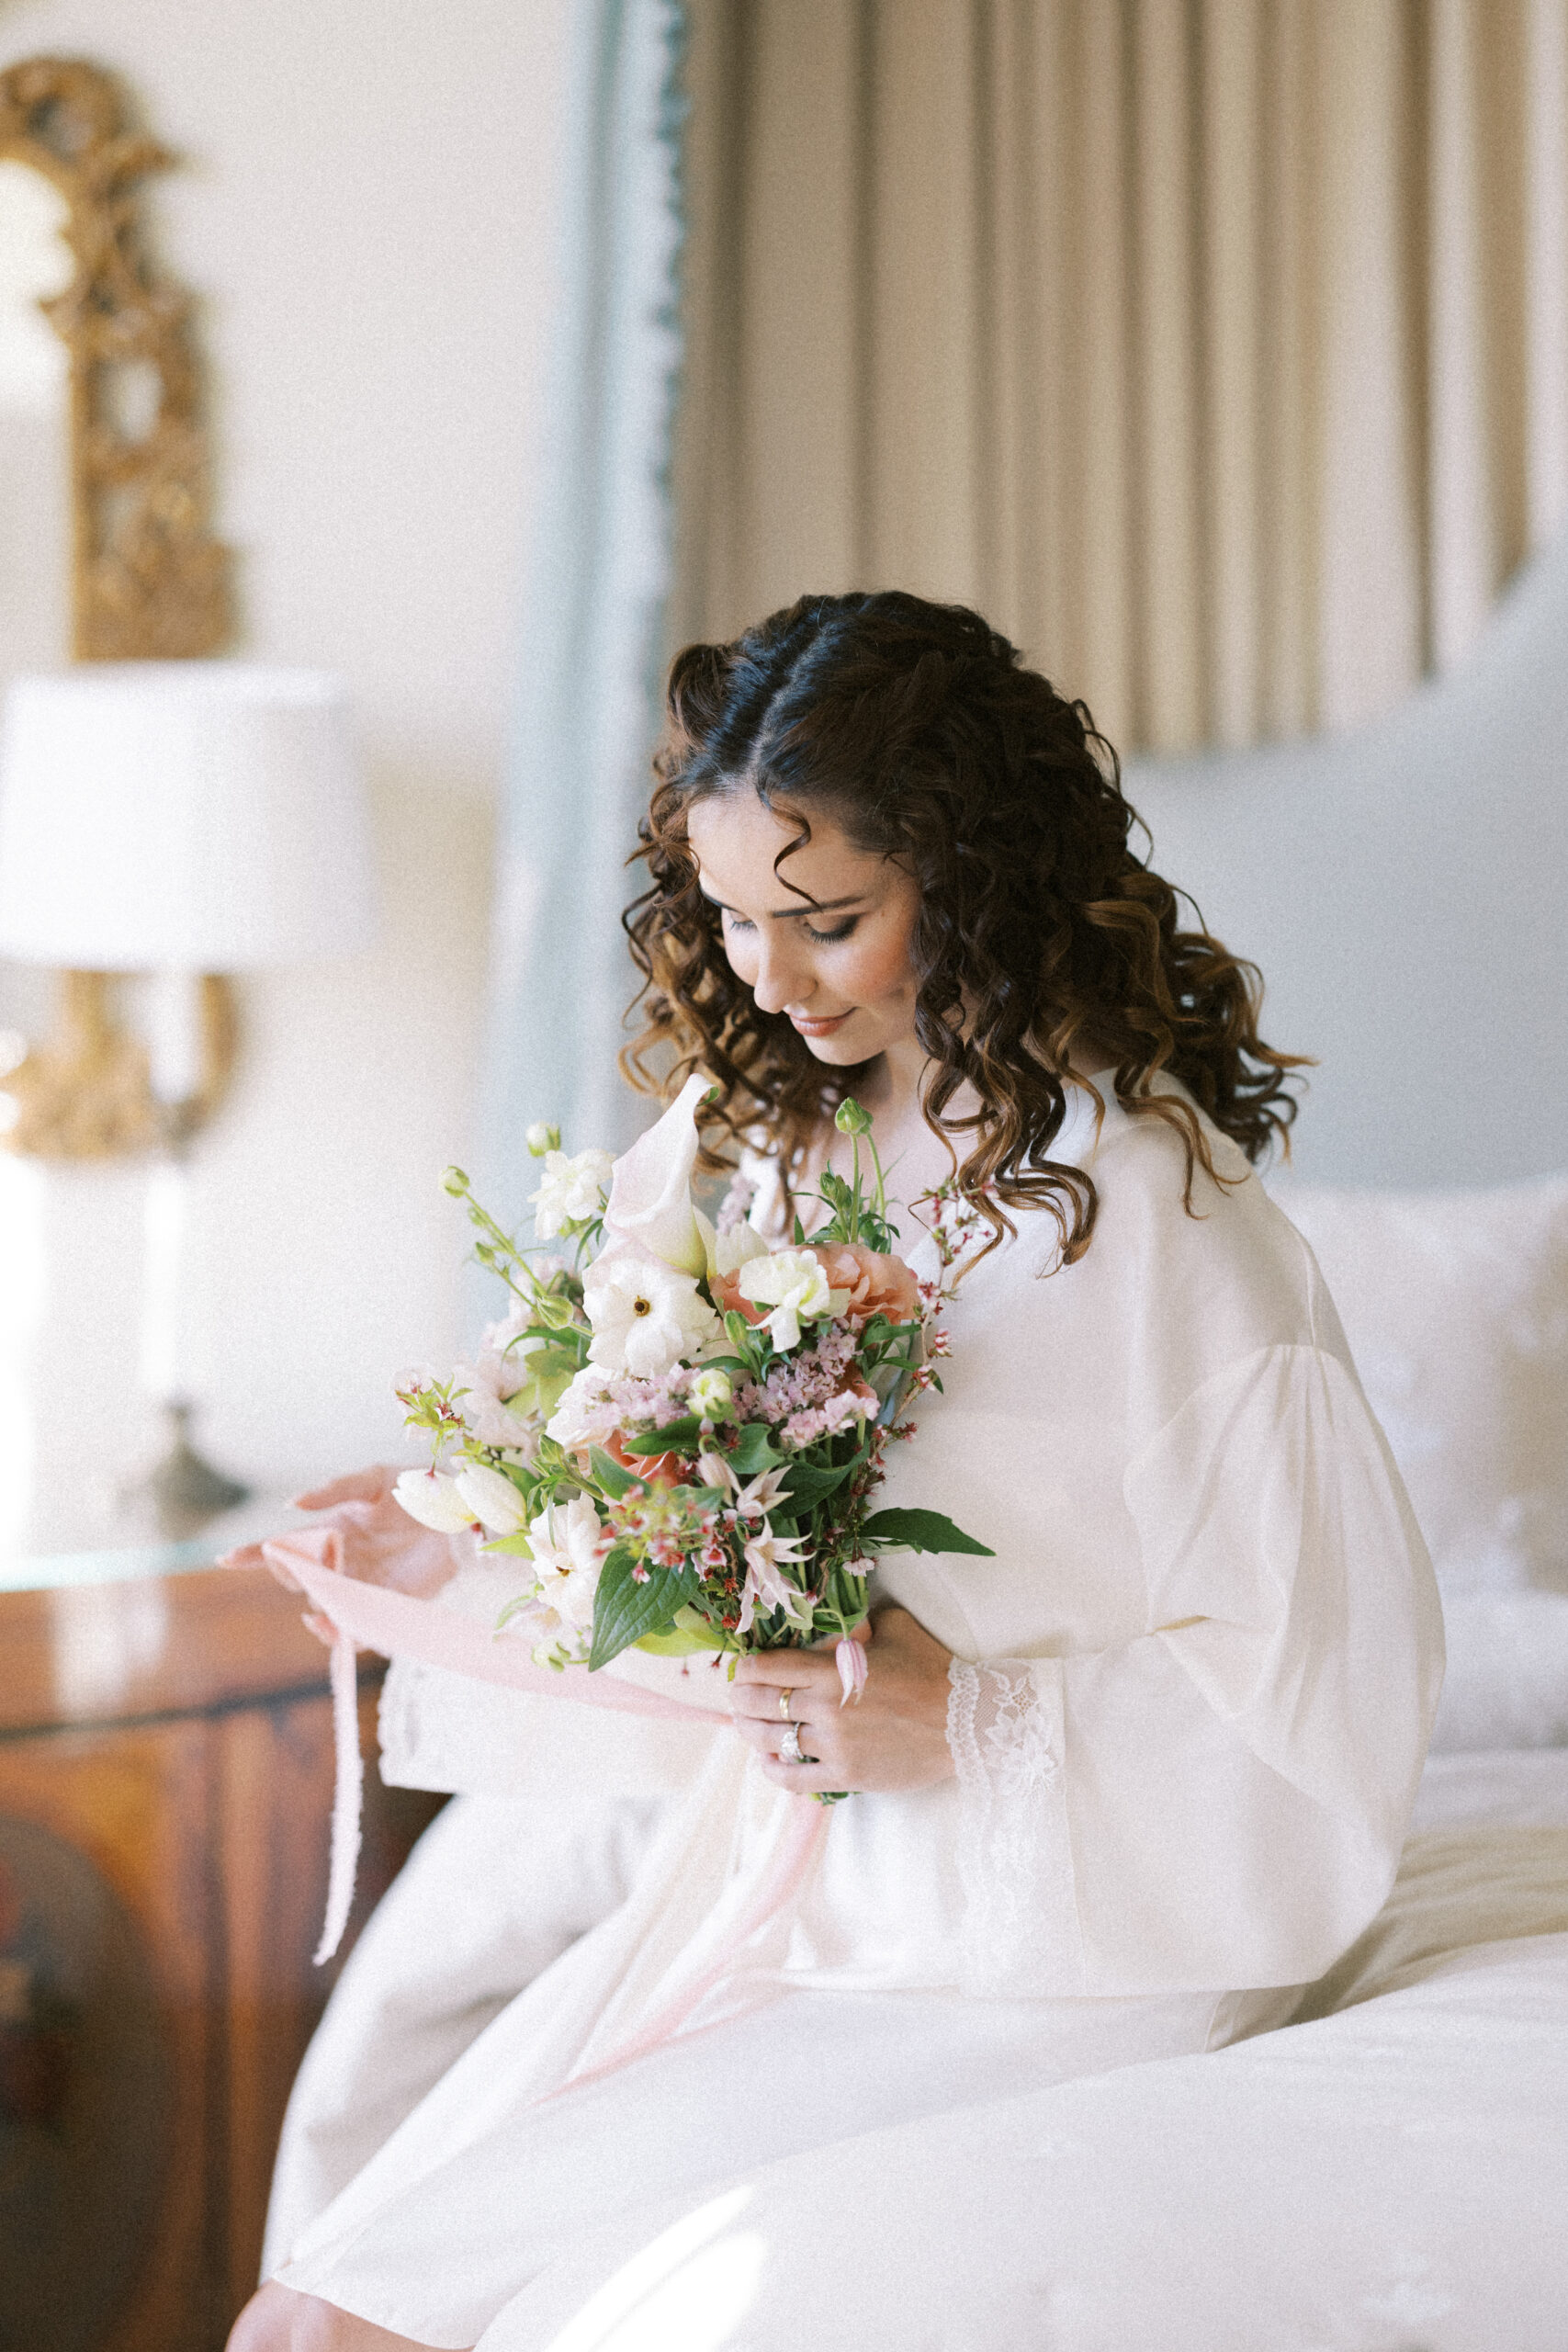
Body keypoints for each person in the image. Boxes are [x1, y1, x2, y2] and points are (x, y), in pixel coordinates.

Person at [231, 591, 1443, 2351]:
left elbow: (1335, 1712)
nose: (767, 978)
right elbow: (725, 1557)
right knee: (304, 2314)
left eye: (827, 921)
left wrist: (972, 1727)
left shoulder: (1168, 1225)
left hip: (1061, 1956)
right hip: (806, 1900)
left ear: (972, 880)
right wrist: (460, 1534)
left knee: (353, 2333)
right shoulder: (806, 1163)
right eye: (732, 917)